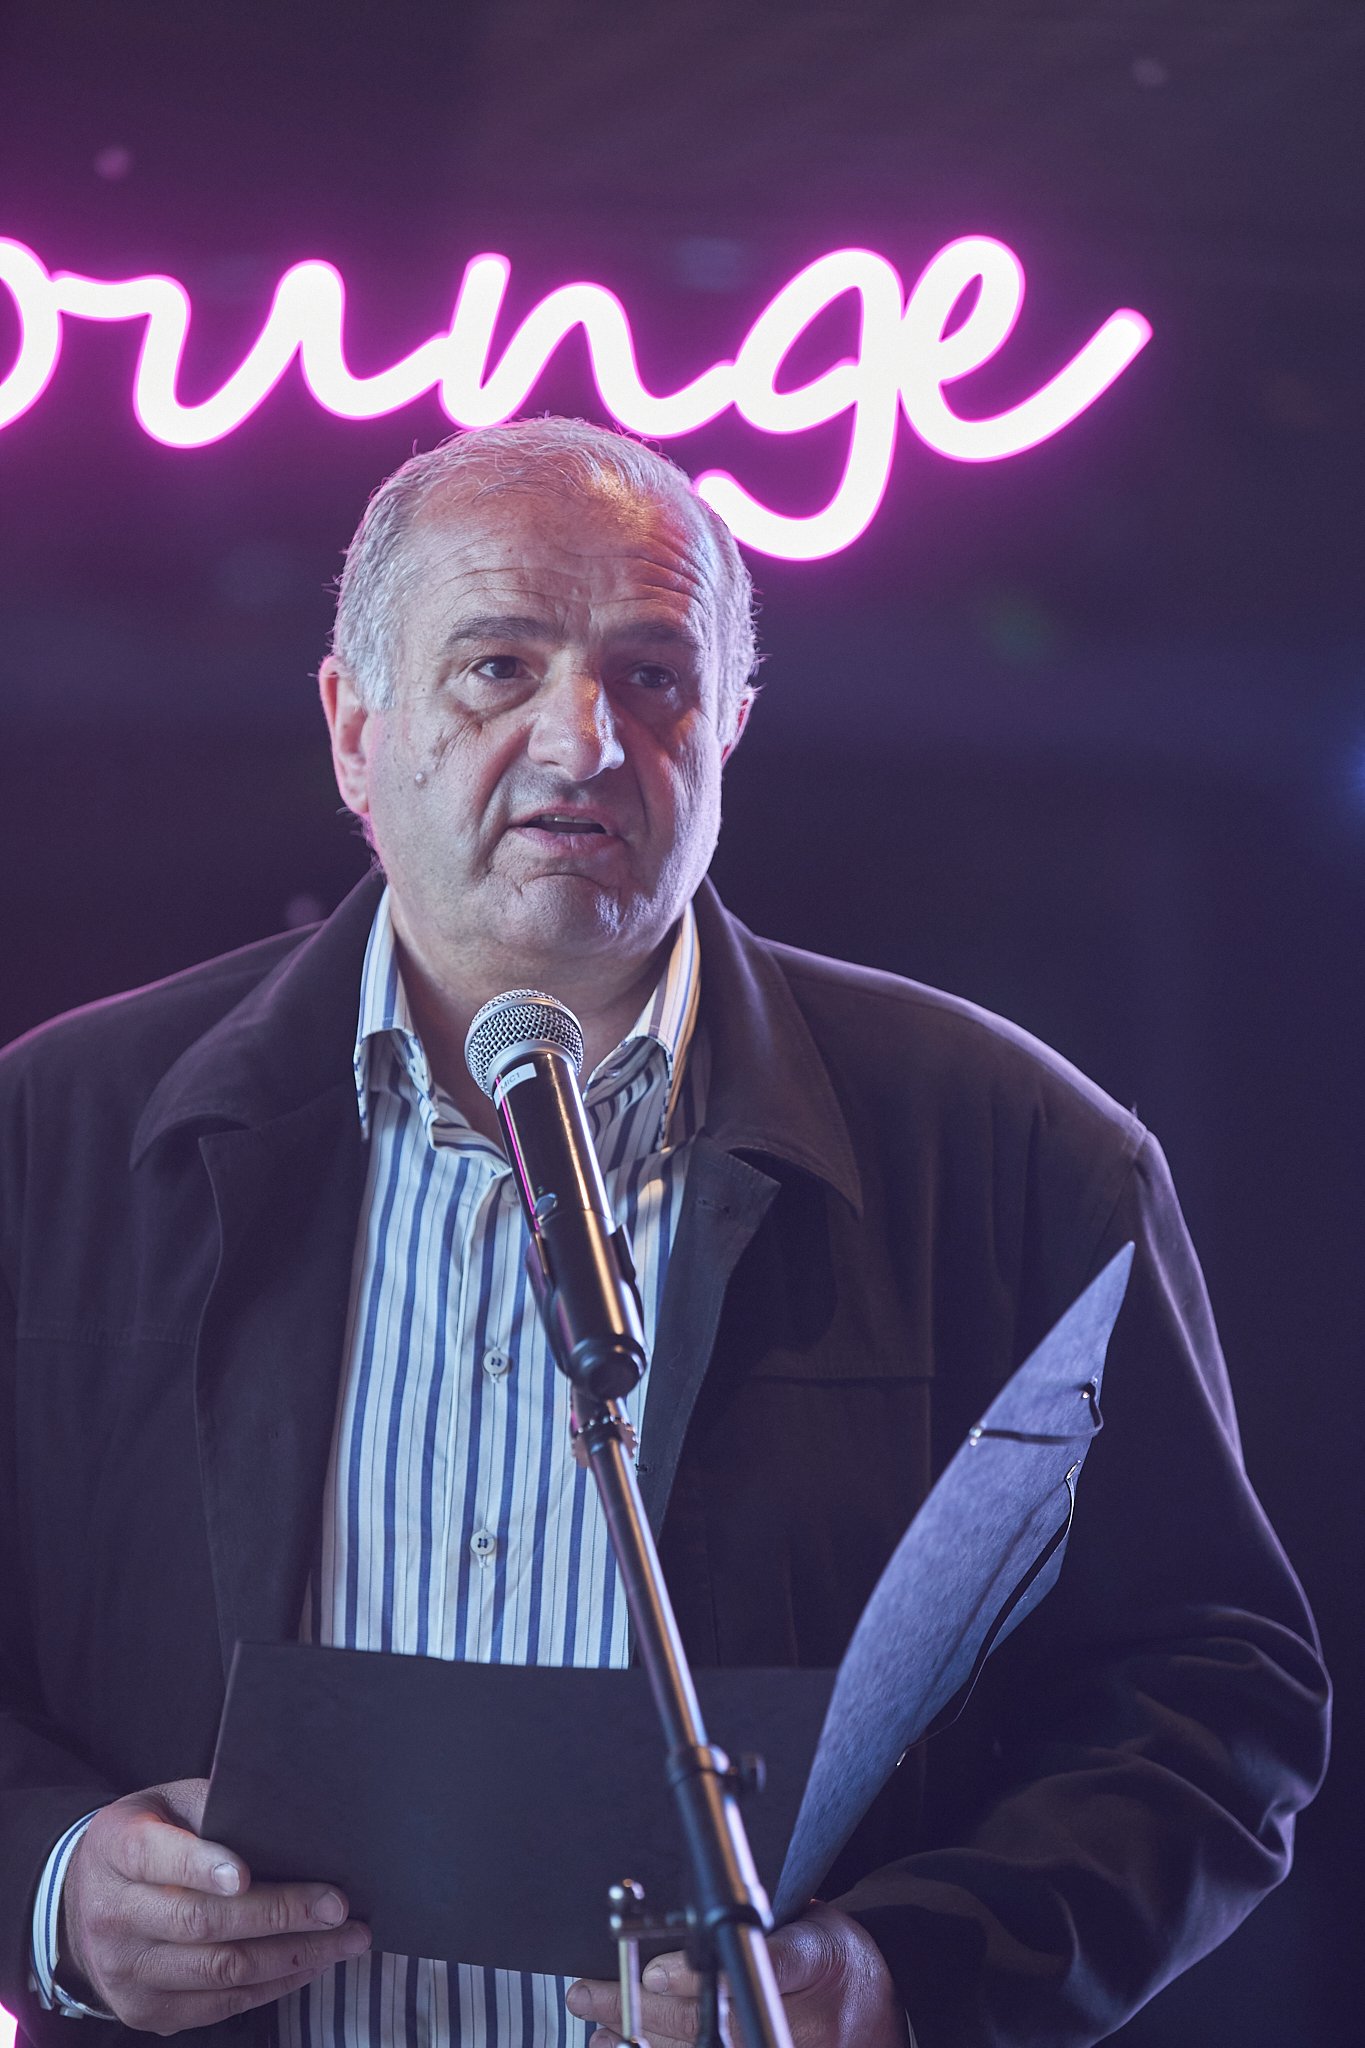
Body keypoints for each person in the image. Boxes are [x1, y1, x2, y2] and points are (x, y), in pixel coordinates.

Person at [0, 417, 1329, 2048]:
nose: (583, 739)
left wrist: (898, 1976)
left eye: (651, 677)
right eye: (497, 667)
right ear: (354, 729)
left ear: (728, 729)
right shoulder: (53, 1140)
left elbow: (1207, 1697)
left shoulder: (1017, 1155)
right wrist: (47, 1883)